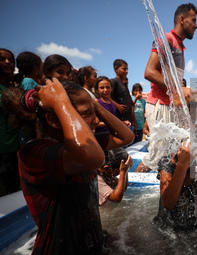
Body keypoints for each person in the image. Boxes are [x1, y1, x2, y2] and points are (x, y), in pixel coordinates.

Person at [18, 78, 134, 254]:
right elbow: (92, 159)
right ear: (54, 119)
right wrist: (61, 101)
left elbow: (125, 137)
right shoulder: (33, 151)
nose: (96, 121)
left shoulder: (86, 145)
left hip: (91, 244)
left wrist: (97, 106)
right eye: (87, 113)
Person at [144, 3, 197, 131]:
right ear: (182, 20)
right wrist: (180, 88)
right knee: (163, 151)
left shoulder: (179, 46)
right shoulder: (167, 38)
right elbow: (149, 72)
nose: (196, 25)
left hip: (173, 106)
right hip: (161, 105)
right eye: (193, 20)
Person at [153, 141, 197, 232]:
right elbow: (168, 204)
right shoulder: (168, 162)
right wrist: (182, 166)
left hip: (196, 229)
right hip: (167, 229)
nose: (187, 177)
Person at [0, 48, 20, 196]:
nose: (7, 62)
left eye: (11, 60)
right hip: (3, 150)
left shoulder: (14, 88)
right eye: (2, 59)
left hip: (18, 148)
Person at [110, 59, 136, 132]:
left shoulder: (124, 85)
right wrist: (116, 105)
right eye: (124, 69)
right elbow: (105, 98)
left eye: (127, 69)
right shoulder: (113, 82)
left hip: (129, 122)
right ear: (116, 68)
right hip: (121, 121)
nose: (126, 71)